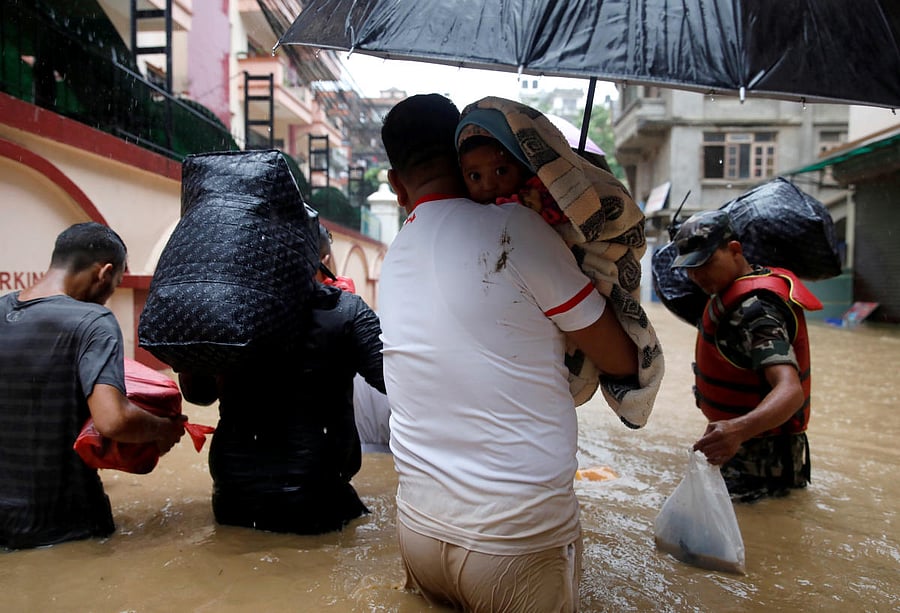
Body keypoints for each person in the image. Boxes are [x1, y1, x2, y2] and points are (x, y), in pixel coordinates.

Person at [378, 93, 640, 612]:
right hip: (515, 543)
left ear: (396, 186)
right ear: (463, 158)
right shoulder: (518, 231)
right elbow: (622, 361)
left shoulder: (394, 256)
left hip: (418, 531)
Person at [178, 223, 385, 535]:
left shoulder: (228, 311)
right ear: (324, 260)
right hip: (318, 499)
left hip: (234, 495)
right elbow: (396, 384)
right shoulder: (345, 311)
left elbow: (199, 395)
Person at [0, 222, 186, 549]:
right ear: (104, 273)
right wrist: (162, 429)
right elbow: (113, 419)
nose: (109, 296)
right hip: (68, 523)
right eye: (114, 285)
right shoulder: (92, 322)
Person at [670, 209, 821, 502]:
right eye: (689, 267)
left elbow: (790, 391)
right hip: (744, 451)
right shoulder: (732, 295)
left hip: (764, 466)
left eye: (705, 263)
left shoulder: (757, 311)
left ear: (735, 249)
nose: (696, 275)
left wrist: (737, 429)